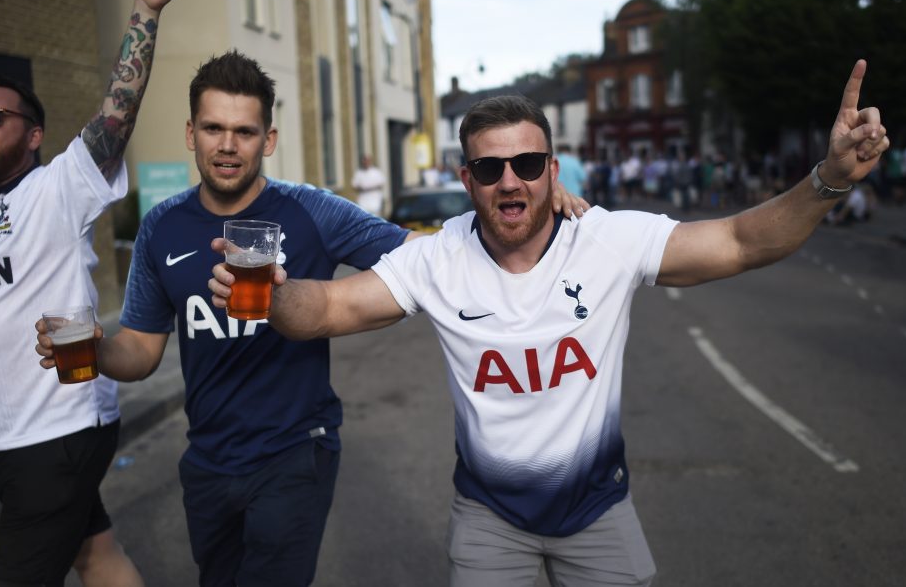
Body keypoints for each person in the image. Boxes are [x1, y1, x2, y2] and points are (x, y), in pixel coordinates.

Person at [208, 60, 887, 586]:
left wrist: (828, 178)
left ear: (552, 170)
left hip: (598, 511)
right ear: (467, 177)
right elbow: (325, 309)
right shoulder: (438, 257)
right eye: (490, 167)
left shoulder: (607, 240)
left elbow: (742, 241)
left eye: (528, 165)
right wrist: (274, 295)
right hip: (488, 518)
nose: (512, 181)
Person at [33, 50, 590, 585]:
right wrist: (94, 351)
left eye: (245, 132)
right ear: (190, 134)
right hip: (207, 458)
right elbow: (142, 350)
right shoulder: (162, 227)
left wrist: (530, 193)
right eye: (213, 129)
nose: (228, 146)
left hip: (295, 450)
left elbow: (430, 256)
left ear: (268, 140)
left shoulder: (310, 210)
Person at [0, 0, 184, 586]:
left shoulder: (56, 190)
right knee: (95, 553)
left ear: (32, 137)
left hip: (58, 434)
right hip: (2, 439)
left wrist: (145, 11)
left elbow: (117, 117)